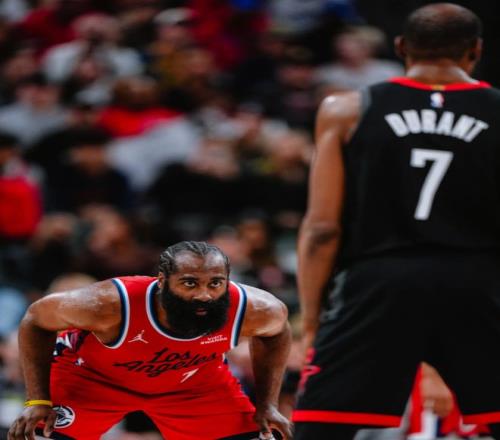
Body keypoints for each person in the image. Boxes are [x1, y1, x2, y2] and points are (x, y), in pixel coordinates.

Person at [293, 3, 500, 439]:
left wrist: (312, 322)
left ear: (402, 47)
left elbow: (321, 229)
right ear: (476, 51)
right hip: (479, 281)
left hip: (378, 281)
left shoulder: (346, 109)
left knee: (320, 428)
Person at [8, 241, 292, 440]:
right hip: (93, 380)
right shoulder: (108, 303)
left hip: (193, 385)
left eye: (215, 283)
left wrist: (268, 404)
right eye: (190, 283)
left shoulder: (255, 308)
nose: (204, 294)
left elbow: (277, 332)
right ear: (162, 281)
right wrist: (37, 400)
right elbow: (35, 319)